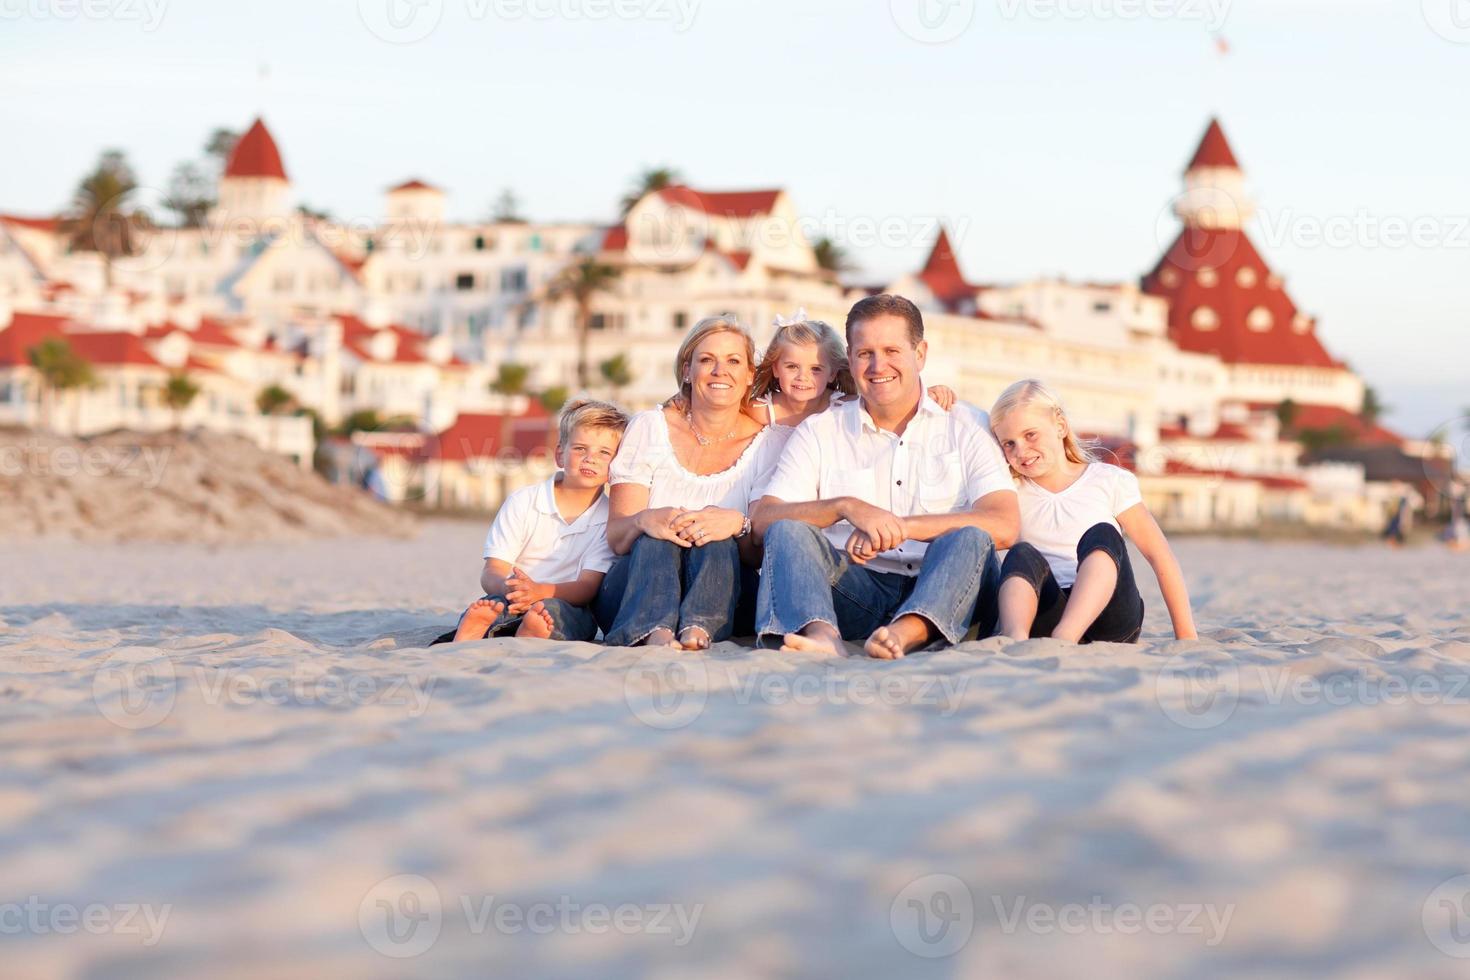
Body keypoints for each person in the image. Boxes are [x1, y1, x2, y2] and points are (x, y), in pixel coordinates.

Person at [752, 294, 1019, 659]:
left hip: (946, 587)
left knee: (971, 537)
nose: (879, 366)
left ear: (920, 353)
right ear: (850, 357)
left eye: (892, 351)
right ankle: (824, 636)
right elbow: (764, 519)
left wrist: (900, 526)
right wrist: (846, 507)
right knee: (787, 529)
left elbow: (1004, 523)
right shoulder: (820, 431)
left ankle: (908, 631)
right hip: (855, 590)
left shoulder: (966, 424)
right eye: (865, 354)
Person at [597, 316, 771, 650]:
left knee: (717, 535)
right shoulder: (650, 427)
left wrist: (737, 524)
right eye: (707, 360)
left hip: (723, 593)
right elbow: (617, 540)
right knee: (654, 537)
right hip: (635, 589)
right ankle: (654, 631)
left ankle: (699, 629)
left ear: (750, 375)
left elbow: (758, 556)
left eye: (733, 361)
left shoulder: (767, 443)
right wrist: (644, 520)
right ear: (688, 370)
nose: (720, 371)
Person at [989, 379, 1196, 643]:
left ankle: (1068, 634)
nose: (1021, 450)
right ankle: (1014, 637)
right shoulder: (1008, 492)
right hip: (1045, 613)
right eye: (1009, 444)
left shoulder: (1109, 480)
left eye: (1030, 435)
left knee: (1103, 533)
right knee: (1021, 554)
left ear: (1060, 426)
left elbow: (1159, 555)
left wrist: (1186, 634)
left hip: (1110, 616)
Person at [440, 400, 629, 644]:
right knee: (493, 605)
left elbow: (587, 587)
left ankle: (532, 631)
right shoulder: (524, 501)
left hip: (566, 603)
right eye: (580, 449)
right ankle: (476, 629)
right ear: (560, 455)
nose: (590, 458)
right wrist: (509, 588)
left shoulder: (608, 518)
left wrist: (540, 592)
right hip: (514, 595)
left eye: (604, 452)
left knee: (557, 614)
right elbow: (492, 570)